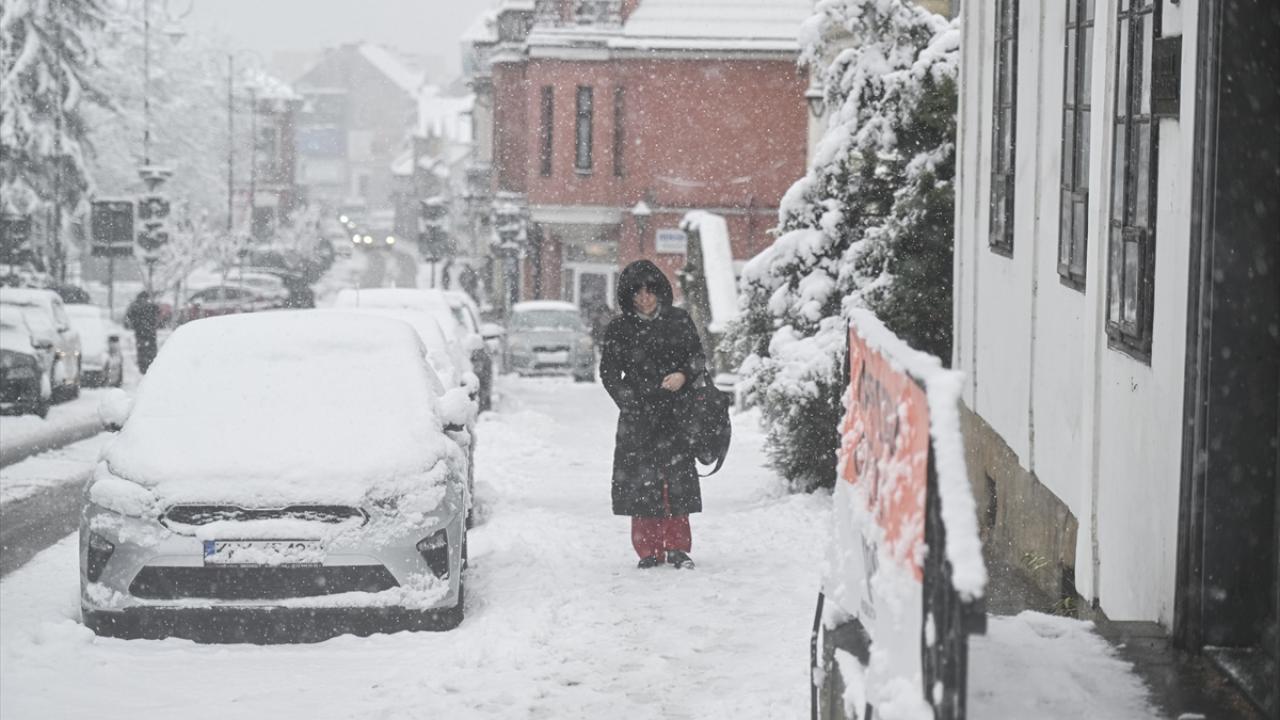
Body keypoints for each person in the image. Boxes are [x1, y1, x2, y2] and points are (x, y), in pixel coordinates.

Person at [599, 260, 707, 570]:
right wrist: (629, 401)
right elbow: (608, 372)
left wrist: (683, 376)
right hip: (638, 418)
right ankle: (647, 550)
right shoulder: (619, 329)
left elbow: (698, 357)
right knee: (641, 484)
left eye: (650, 292)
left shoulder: (679, 321)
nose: (645, 299)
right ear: (629, 297)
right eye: (638, 294)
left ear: (660, 292)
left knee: (676, 482)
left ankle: (677, 547)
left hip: (676, 414)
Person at [125, 290, 160, 374]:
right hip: (151, 332)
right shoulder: (152, 306)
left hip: (140, 332)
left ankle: (143, 368)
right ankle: (151, 366)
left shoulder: (135, 306)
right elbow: (158, 312)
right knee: (151, 350)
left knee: (141, 351)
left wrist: (134, 324)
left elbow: (129, 317)